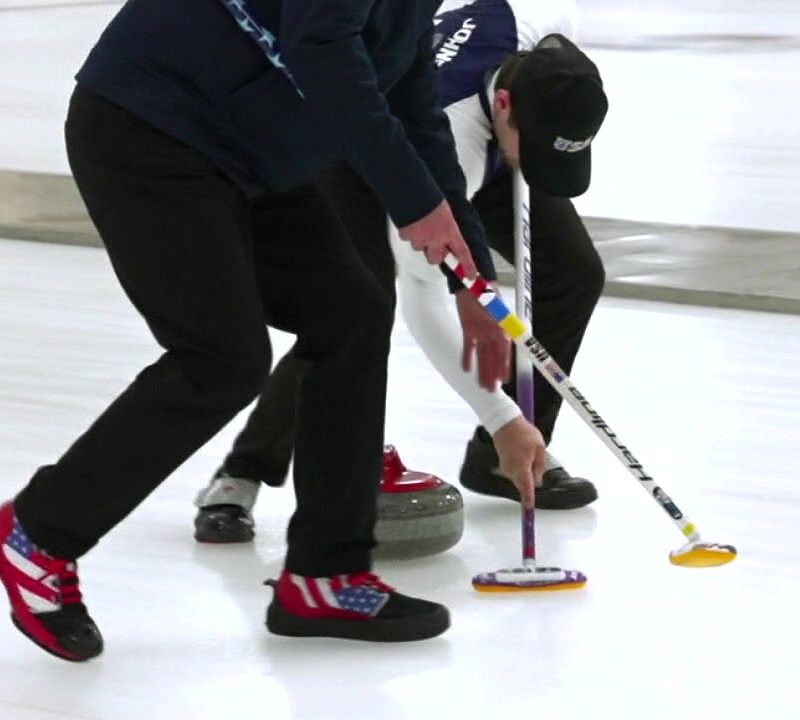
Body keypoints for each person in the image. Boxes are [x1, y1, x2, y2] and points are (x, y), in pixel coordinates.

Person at [0, 0, 540, 662]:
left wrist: (472, 287)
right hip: (152, 125)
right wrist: (414, 205)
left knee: (351, 312)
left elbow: (416, 115)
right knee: (221, 359)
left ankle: (324, 575)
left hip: (257, 155)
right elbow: (321, 46)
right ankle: (36, 533)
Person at [192, 0, 610, 544]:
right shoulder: (453, 131)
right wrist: (498, 410)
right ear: (505, 105)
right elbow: (424, 298)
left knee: (576, 270)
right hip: (374, 155)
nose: (538, 171)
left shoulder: (541, 22)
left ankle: (504, 455)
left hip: (482, 138)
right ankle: (242, 472)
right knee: (356, 310)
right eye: (534, 153)